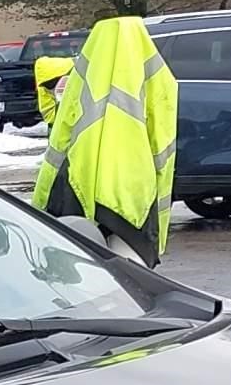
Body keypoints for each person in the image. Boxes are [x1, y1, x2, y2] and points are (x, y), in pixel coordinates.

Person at [29, 17, 179, 266]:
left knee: (86, 277)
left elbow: (60, 139)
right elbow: (164, 149)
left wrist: (41, 204)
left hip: (81, 190)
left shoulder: (80, 77)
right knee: (132, 282)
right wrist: (157, 229)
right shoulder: (159, 78)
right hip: (134, 197)